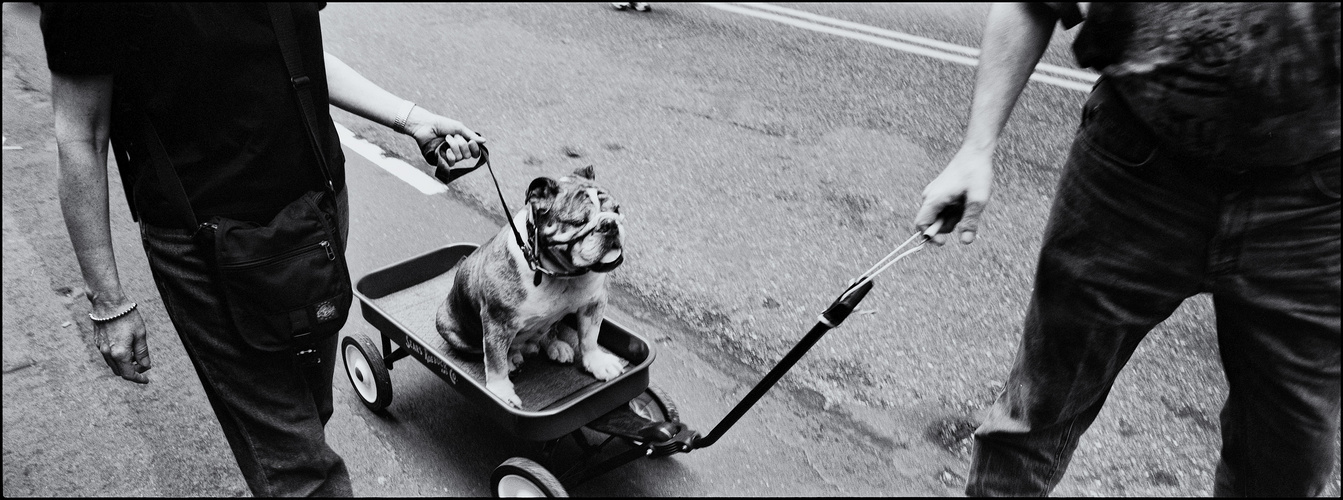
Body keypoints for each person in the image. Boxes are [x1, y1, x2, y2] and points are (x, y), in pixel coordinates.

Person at [41, 3, 484, 496]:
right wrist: (107, 302)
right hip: (211, 251)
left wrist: (411, 118)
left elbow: (297, 50)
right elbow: (81, 133)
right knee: (297, 467)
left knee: (309, 413)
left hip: (317, 213)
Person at [914, 2, 1340, 497]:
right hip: (1133, 169)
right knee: (1039, 413)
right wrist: (976, 148)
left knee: (1288, 461)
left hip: (1316, 205)